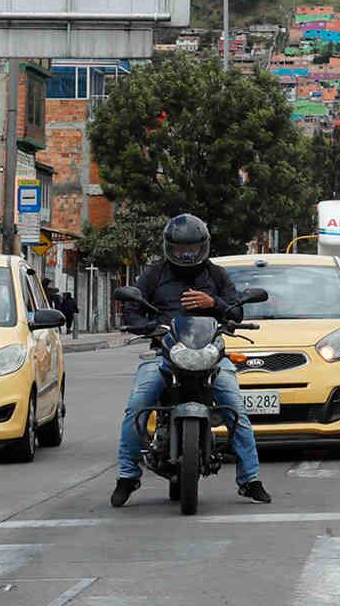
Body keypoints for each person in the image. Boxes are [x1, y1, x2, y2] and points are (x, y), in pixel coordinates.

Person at [111, 214, 270, 507]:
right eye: (180, 248)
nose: (186, 254)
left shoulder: (217, 276)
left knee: (235, 408)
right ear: (168, 247)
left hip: (210, 354)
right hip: (164, 353)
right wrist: (146, 326)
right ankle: (127, 475)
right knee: (137, 407)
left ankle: (250, 479)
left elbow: (236, 313)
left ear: (203, 247)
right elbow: (131, 310)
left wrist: (214, 304)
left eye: (193, 248)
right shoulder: (154, 275)